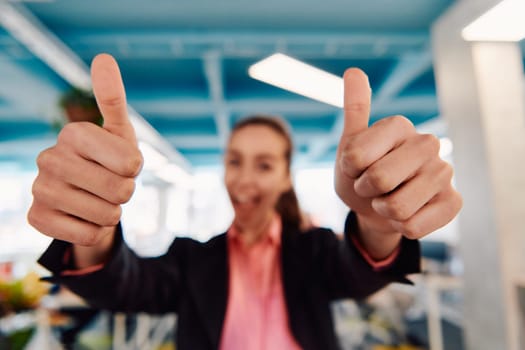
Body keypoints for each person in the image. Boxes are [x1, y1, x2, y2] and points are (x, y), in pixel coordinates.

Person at [28, 54, 462, 350]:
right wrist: (94, 227)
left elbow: (358, 272)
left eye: (264, 164)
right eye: (235, 161)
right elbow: (124, 286)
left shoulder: (315, 251)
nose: (246, 178)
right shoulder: (191, 259)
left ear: (286, 177)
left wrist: (377, 219)